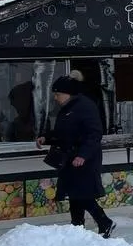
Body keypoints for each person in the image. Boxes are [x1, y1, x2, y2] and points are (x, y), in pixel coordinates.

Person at [37, 72, 115, 237]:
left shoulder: (84, 107)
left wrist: (83, 155)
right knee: (75, 195)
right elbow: (62, 133)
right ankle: (77, 228)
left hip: (83, 160)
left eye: (57, 94)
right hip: (71, 159)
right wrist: (47, 138)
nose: (55, 98)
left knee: (83, 194)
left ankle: (104, 222)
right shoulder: (67, 109)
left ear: (68, 93)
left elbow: (94, 134)